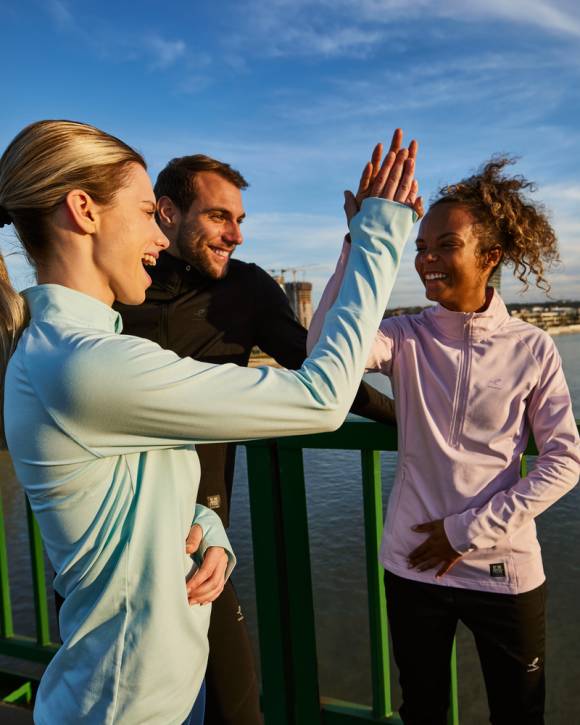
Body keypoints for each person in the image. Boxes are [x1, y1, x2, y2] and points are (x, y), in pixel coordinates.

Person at [0, 120, 419, 724]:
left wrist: (205, 527)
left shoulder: (68, 349)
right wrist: (379, 236)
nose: (155, 232)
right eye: (146, 212)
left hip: (157, 685)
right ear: (84, 210)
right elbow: (322, 399)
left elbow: (124, 477)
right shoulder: (84, 364)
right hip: (124, 707)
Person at [114, 153, 399, 725]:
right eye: (220, 216)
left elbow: (320, 373)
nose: (237, 235)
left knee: (236, 705)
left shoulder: (245, 289)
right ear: (166, 212)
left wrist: (403, 418)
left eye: (240, 219)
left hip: (199, 538)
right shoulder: (116, 289)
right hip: (110, 539)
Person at [308, 147, 580, 725]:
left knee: (520, 713)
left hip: (504, 570)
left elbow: (563, 461)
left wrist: (464, 531)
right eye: (421, 247)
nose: (427, 259)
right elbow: (325, 350)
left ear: (490, 256)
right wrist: (357, 244)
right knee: (423, 710)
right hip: (412, 565)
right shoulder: (405, 336)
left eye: (445, 246)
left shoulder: (533, 348)